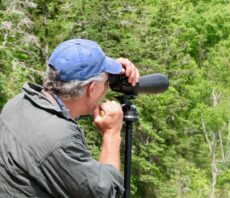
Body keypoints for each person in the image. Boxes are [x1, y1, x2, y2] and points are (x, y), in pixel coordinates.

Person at [0, 38, 139, 198]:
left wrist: (106, 69)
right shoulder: (60, 141)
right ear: (91, 88)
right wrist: (112, 134)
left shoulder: (19, 103)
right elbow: (107, 193)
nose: (108, 87)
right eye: (107, 82)